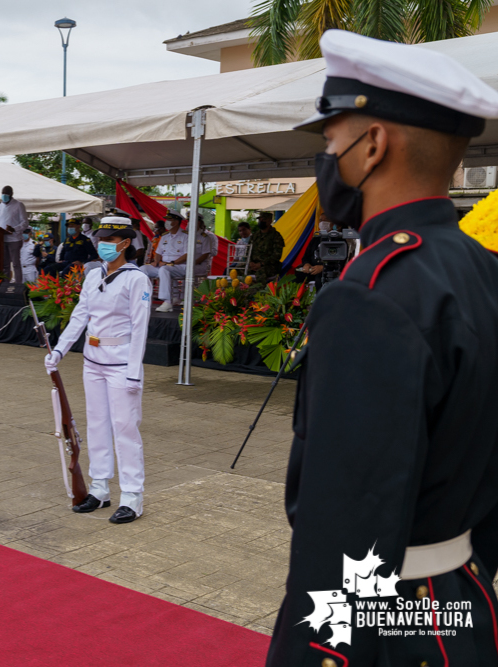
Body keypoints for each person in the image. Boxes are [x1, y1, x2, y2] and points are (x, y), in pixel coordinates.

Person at [266, 30, 498, 667]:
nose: (327, 160)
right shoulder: (484, 270)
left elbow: (344, 519)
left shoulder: (368, 293)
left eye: (331, 141)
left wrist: (316, 655)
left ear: (373, 145)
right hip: (465, 603)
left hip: (387, 628)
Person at [44, 217, 151, 524]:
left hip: (121, 363)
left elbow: (139, 328)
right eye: (100, 238)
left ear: (125, 243)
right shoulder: (93, 275)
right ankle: (100, 488)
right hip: (93, 360)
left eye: (109, 239)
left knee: (126, 428)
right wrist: (60, 349)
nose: (102, 244)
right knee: (97, 425)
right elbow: (80, 316)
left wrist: (133, 371)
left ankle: (132, 496)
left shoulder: (136, 279)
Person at [148, 214, 188, 312]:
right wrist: (156, 261)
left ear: (176, 222)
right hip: (163, 265)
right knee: (143, 269)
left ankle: (167, 302)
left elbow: (188, 254)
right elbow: (158, 252)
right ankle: (142, 298)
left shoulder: (185, 236)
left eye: (170, 219)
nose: (167, 222)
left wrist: (171, 263)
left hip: (180, 266)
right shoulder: (165, 237)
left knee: (164, 269)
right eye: (167, 219)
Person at [0, 185, 29, 282]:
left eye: (6, 193)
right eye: (3, 193)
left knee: (15, 264)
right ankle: (5, 286)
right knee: (5, 264)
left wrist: (14, 229)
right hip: (3, 239)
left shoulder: (19, 205)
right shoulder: (0, 206)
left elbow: (25, 223)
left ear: (11, 194)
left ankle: (18, 286)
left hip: (15, 239)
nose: (4, 195)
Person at [248, 212, 284, 280]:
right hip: (253, 265)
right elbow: (248, 250)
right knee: (234, 271)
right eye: (259, 219)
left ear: (270, 221)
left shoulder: (276, 236)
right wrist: (250, 263)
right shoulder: (255, 235)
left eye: (263, 219)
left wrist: (261, 264)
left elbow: (277, 256)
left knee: (260, 274)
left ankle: (258, 290)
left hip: (269, 266)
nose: (261, 221)